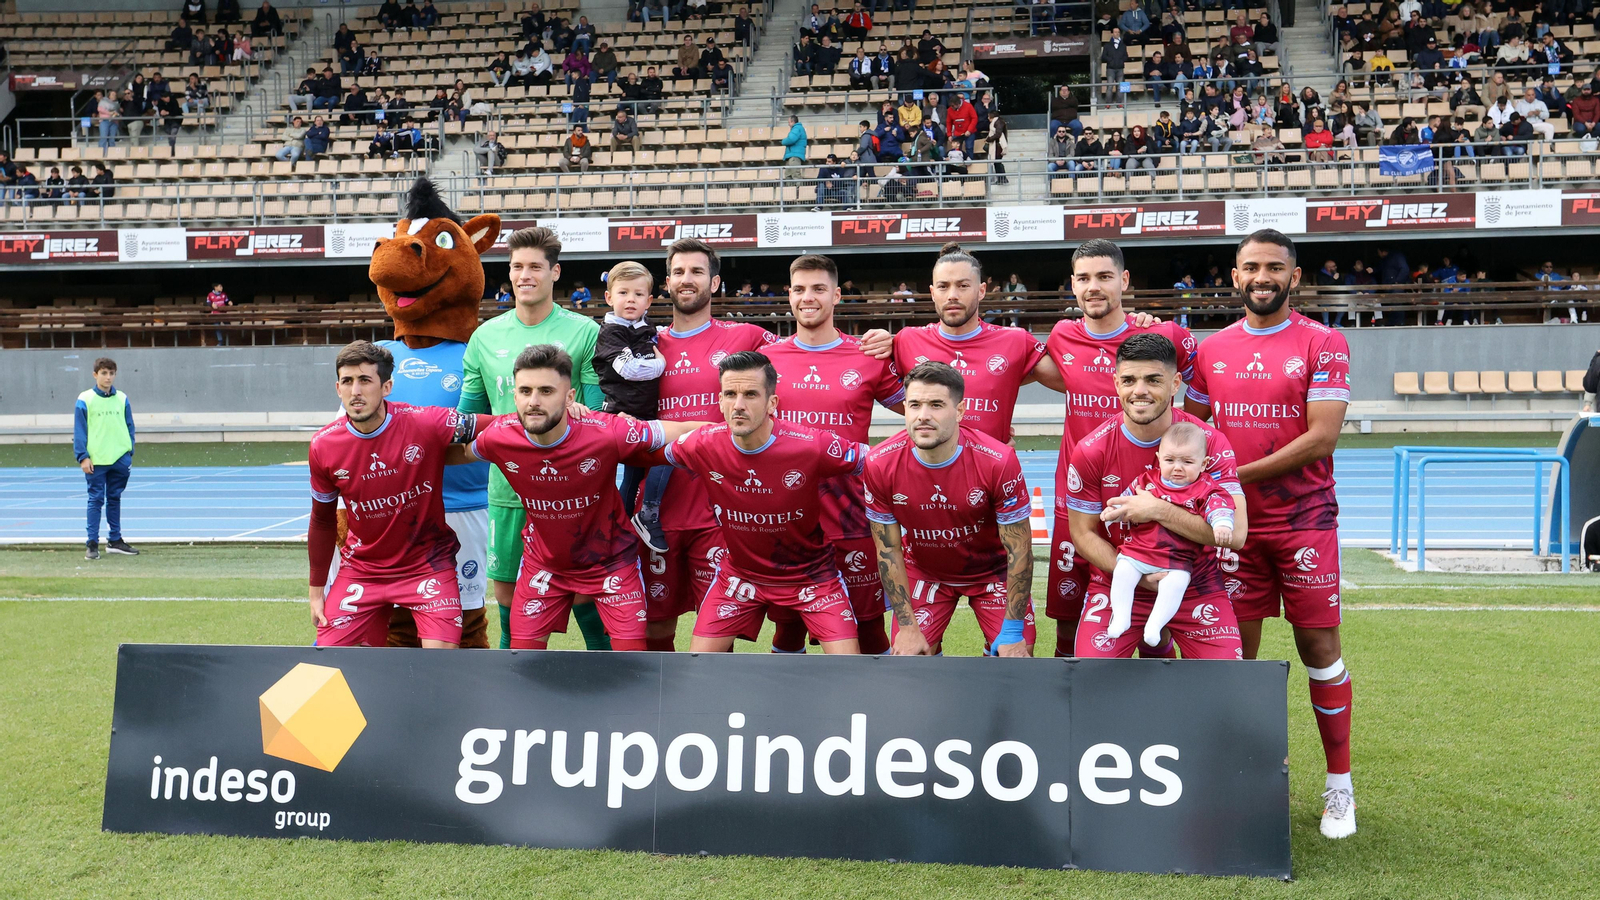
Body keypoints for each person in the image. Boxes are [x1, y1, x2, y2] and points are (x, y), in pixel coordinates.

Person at [1185, 229, 1357, 840]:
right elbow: (1189, 429)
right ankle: (1245, 782)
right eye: (1251, 267)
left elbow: (1322, 438)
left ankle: (1339, 785)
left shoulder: (1323, 341)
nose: (1263, 276)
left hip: (1304, 520)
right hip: (1232, 531)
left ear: (1294, 275)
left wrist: (1230, 475)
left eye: (1274, 267)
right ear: (1235, 277)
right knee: (1240, 658)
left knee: (1319, 650)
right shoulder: (1211, 350)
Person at [454, 345, 699, 650]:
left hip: (611, 562)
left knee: (633, 659)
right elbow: (454, 453)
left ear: (570, 397)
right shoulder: (499, 436)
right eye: (525, 391)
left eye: (546, 391)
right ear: (514, 396)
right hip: (544, 565)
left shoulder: (606, 431)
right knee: (522, 657)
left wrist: (739, 432)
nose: (534, 401)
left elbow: (685, 430)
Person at [1041, 239, 1196, 656]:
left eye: (1105, 277)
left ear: (1124, 281)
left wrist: (1191, 444)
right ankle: (1070, 706)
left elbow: (1202, 383)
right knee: (1068, 619)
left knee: (1154, 617)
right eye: (1085, 278)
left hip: (1154, 499)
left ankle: (1150, 706)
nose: (1094, 287)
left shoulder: (1163, 336)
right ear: (1072, 285)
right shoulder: (1062, 336)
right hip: (1079, 503)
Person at [457, 227, 608, 651]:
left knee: (583, 594)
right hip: (508, 488)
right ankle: (514, 691)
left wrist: (584, 414)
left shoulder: (584, 332)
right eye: (517, 266)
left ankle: (612, 693)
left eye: (535, 267)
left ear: (554, 272)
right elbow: (469, 419)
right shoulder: (485, 338)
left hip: (573, 489)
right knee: (507, 596)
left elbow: (598, 412)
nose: (525, 275)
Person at [660, 351, 868, 655]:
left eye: (751, 394)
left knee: (851, 671)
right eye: (730, 394)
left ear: (772, 403)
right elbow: (642, 446)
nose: (738, 405)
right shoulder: (703, 442)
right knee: (698, 669)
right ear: (719, 401)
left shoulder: (811, 444)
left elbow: (878, 461)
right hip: (741, 576)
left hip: (812, 576)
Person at [1064, 330, 1245, 659]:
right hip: (1120, 577)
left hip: (1194, 580)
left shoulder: (1209, 443)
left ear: (1176, 384)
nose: (1140, 391)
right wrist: (1138, 575)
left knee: (1225, 685)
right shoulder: (1091, 450)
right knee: (1091, 680)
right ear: (1116, 382)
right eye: (1129, 380)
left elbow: (1237, 535)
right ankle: (1158, 641)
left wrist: (1158, 510)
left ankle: (1159, 638)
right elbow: (1082, 532)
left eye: (1153, 380)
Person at [761, 255, 907, 656]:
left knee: (868, 625)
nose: (809, 298)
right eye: (800, 289)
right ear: (789, 296)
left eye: (819, 289)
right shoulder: (766, 359)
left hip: (851, 515)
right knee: (788, 627)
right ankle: (788, 715)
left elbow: (921, 408)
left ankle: (870, 714)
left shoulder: (867, 356)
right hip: (785, 515)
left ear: (837, 295)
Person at [639, 238, 777, 651]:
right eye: (679, 272)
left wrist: (884, 343)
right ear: (666, 282)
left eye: (697, 272)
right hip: (656, 513)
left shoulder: (748, 337)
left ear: (714, 283)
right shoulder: (645, 345)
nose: (687, 280)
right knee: (655, 628)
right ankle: (658, 715)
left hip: (720, 510)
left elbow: (811, 353)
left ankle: (715, 715)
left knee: (717, 632)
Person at [307, 342, 487, 649]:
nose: (356, 391)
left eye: (365, 380)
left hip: (426, 564)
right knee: (329, 662)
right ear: (338, 389)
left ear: (387, 386)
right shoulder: (323, 445)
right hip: (363, 571)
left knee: (440, 660)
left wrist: (557, 418)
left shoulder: (423, 422)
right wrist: (316, 590)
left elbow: (497, 425)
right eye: (348, 382)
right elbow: (322, 522)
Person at [864, 361, 1035, 657]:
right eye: (914, 405)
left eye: (936, 405)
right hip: (926, 571)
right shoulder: (879, 462)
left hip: (992, 573)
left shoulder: (997, 460)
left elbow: (1019, 549)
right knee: (908, 660)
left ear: (959, 410)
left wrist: (1012, 630)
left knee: (1016, 660)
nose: (923, 416)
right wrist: (907, 628)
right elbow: (888, 550)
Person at [1103, 422, 1236, 647]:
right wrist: (1114, 512)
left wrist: (1222, 524)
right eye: (1170, 460)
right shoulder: (1146, 481)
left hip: (1177, 560)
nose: (1177, 468)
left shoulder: (1206, 488)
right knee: (1123, 572)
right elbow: (1126, 501)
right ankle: (1121, 617)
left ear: (1203, 464)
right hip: (1138, 552)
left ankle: (1155, 624)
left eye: (1187, 462)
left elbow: (1219, 507)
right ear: (1158, 458)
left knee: (1175, 584)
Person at [591, 261, 672, 552]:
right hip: (620, 414)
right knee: (645, 465)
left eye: (638, 294)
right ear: (609, 297)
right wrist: (661, 363)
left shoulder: (643, 326)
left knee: (639, 473)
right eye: (623, 293)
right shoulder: (611, 331)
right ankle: (626, 523)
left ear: (649, 301)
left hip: (644, 414)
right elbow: (630, 369)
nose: (630, 300)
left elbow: (654, 337)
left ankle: (627, 525)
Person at [75, 358, 139, 561]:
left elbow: (130, 426)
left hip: (120, 459)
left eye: (111, 373)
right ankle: (92, 544)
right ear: (95, 375)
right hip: (96, 460)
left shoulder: (122, 398)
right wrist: (83, 457)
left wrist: (129, 452)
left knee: (115, 499)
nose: (108, 377)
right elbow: (80, 431)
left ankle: (115, 541)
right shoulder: (85, 399)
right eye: (104, 373)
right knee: (95, 500)